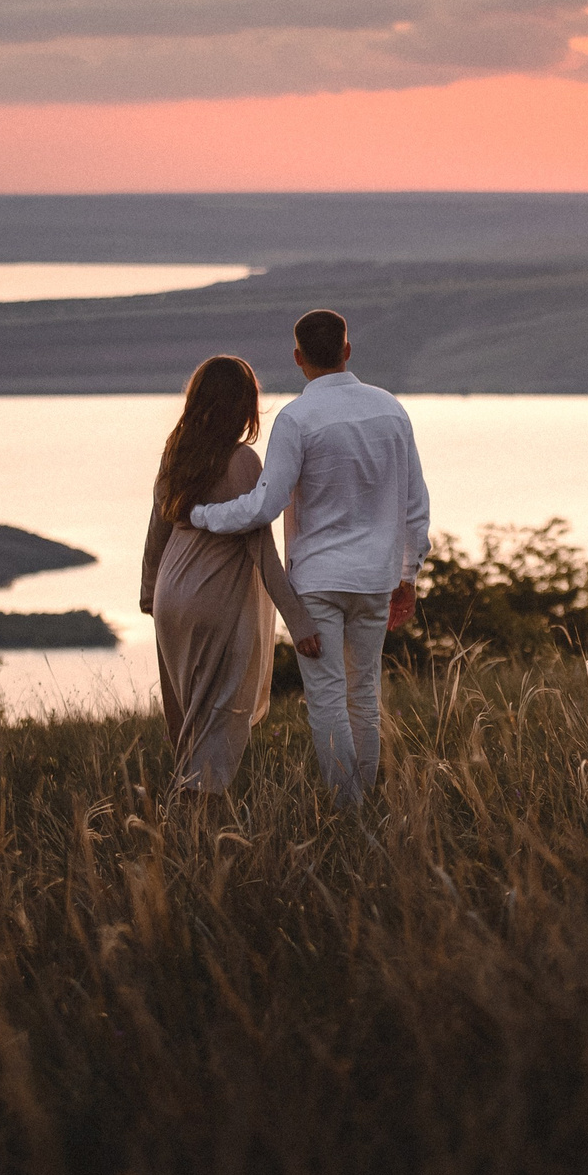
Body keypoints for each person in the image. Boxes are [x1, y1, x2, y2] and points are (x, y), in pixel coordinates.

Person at [189, 309, 429, 804]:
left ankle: (349, 808)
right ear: (346, 349)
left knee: (327, 701)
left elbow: (263, 505)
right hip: (376, 579)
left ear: (298, 358)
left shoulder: (297, 419)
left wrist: (201, 516)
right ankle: (363, 802)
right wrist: (407, 574)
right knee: (364, 697)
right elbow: (415, 504)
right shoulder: (391, 411)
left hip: (318, 581)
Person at [139, 354, 317, 794]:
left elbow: (157, 527)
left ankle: (180, 833)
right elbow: (262, 548)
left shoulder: (176, 450)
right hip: (215, 597)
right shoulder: (241, 461)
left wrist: (148, 591)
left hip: (171, 596)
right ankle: (198, 835)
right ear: (243, 406)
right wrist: (299, 623)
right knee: (219, 725)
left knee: (190, 724)